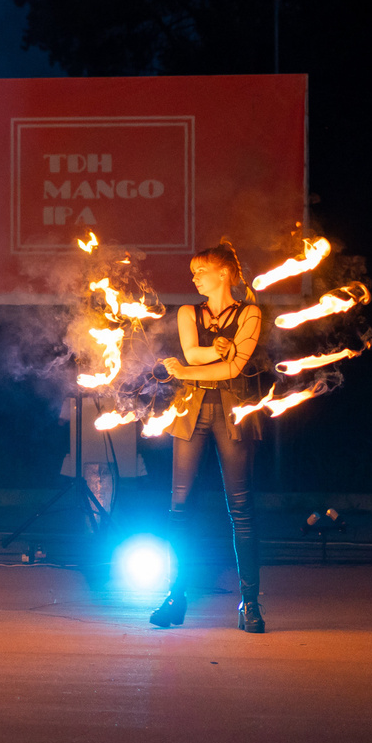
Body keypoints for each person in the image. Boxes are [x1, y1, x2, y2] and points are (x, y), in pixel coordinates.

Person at [153, 241, 268, 632]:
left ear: (222, 273)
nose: (193, 277)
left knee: (242, 510)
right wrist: (215, 352)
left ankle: (249, 604)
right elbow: (191, 350)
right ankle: (174, 597)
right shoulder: (189, 312)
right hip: (191, 412)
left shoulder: (251, 313)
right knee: (179, 508)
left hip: (234, 413)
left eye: (200, 271)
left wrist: (190, 368)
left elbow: (234, 369)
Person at [61, 390, 144, 534]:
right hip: (87, 452)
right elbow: (63, 419)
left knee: (116, 497)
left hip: (122, 456)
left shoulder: (126, 397)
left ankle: (112, 531)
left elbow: (140, 414)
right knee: (92, 496)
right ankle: (94, 532)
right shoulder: (77, 397)